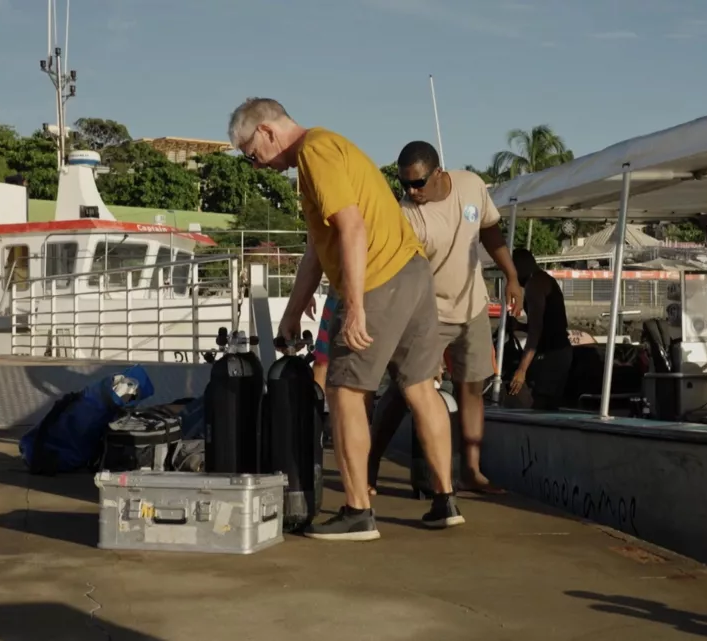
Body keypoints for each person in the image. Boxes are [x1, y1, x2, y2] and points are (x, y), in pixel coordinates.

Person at [227, 98, 462, 541]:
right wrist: (293, 311)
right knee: (419, 388)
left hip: (379, 278)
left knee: (344, 391)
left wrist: (353, 306)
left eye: (252, 154)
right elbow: (319, 247)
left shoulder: (314, 154)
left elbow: (352, 228)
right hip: (412, 271)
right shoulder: (330, 147)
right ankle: (445, 500)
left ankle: (358, 511)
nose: (257, 165)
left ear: (267, 131)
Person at [366, 141, 524, 496]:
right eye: (404, 184)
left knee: (472, 386)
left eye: (418, 183)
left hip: (473, 305)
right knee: (404, 391)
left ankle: (471, 472)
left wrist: (512, 276)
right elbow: (408, 275)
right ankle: (369, 462)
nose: (411, 191)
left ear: (438, 173)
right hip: (426, 312)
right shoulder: (405, 215)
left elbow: (489, 230)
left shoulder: (471, 184)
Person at [509, 248, 574, 410]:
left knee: (541, 404)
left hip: (552, 354)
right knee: (550, 404)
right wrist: (519, 326)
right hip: (560, 351)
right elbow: (545, 324)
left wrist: (521, 370)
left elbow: (536, 331)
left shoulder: (535, 285)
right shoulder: (543, 280)